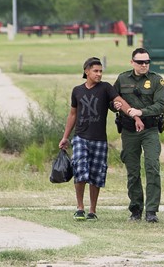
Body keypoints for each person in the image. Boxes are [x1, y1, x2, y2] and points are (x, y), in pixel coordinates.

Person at [58, 57, 141, 221]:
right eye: (95, 71)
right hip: (81, 137)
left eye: (101, 71)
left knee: (96, 175)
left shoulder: (105, 88)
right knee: (80, 170)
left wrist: (134, 115)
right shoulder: (77, 90)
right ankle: (80, 207)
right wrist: (65, 137)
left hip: (99, 139)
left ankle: (92, 210)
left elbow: (119, 101)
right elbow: (73, 114)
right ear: (86, 71)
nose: (99, 74)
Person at [113, 48, 164, 223]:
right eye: (140, 62)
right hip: (129, 131)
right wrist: (114, 105)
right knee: (133, 171)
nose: (144, 65)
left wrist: (141, 112)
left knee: (152, 167)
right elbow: (113, 100)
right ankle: (136, 209)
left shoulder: (156, 80)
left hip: (150, 130)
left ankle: (151, 211)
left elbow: (160, 105)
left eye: (147, 62)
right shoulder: (122, 79)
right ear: (132, 62)